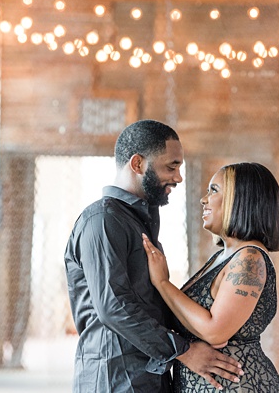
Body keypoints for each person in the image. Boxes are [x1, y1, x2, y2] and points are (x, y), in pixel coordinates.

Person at [64, 119, 243, 392]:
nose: (178, 177)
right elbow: (113, 307)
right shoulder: (102, 220)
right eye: (171, 166)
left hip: (149, 375)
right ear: (137, 164)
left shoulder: (139, 220)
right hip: (114, 379)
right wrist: (185, 351)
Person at [142, 162, 279, 392]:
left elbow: (215, 331)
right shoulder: (223, 256)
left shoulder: (249, 258)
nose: (204, 199)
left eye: (214, 190)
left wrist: (162, 283)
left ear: (241, 200)